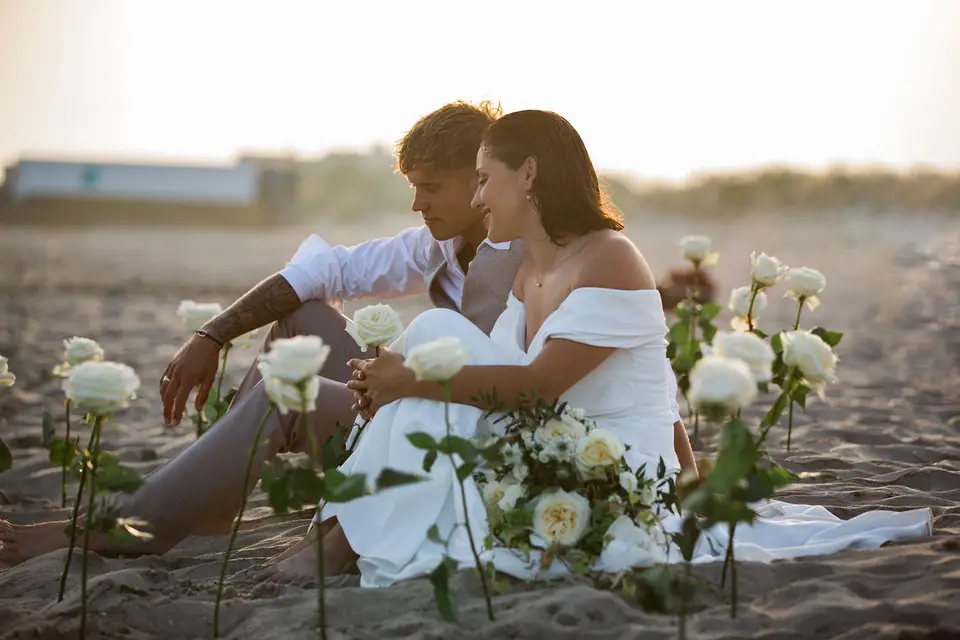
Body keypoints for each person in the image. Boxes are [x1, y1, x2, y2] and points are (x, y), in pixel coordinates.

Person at [0, 101, 695, 565]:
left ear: (517, 178)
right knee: (303, 324)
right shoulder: (458, 244)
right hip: (462, 413)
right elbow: (325, 271)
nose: (425, 203)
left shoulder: (557, 251)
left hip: (482, 423)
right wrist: (211, 335)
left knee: (304, 382)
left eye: (458, 184)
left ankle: (132, 525)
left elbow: (622, 373)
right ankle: (213, 498)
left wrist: (680, 474)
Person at [258, 110, 933, 587]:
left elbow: (538, 386)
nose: (481, 196)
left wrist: (409, 381)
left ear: (528, 175)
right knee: (439, 336)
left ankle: (340, 539)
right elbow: (491, 368)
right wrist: (402, 374)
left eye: (486, 179)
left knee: (435, 348)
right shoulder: (532, 265)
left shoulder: (610, 258)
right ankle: (341, 536)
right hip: (547, 435)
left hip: (610, 460)